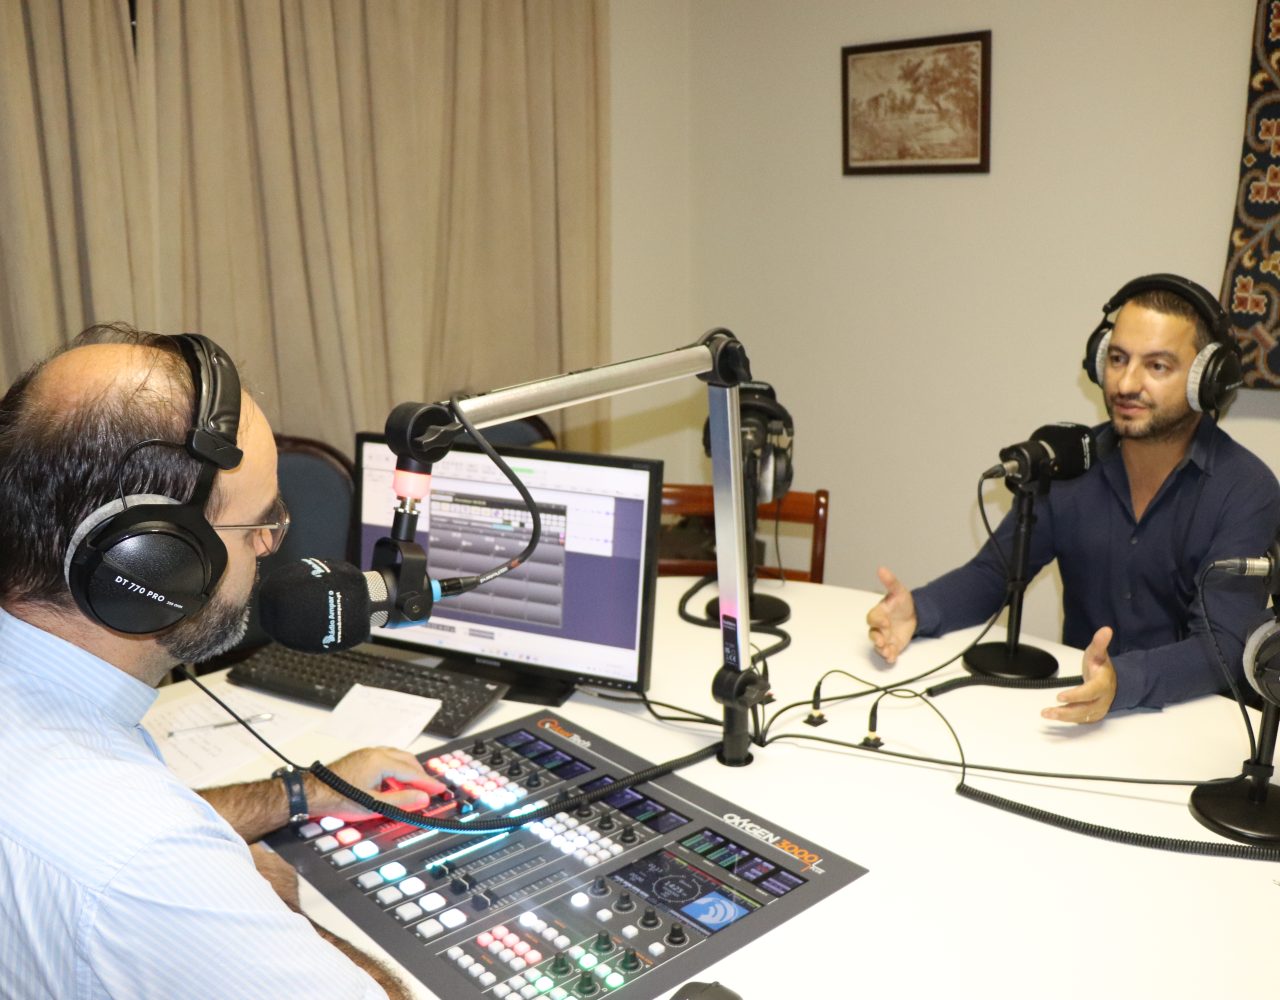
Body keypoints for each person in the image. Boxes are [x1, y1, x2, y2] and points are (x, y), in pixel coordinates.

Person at [0, 325, 446, 998]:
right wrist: (277, 912)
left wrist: (301, 793)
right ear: (151, 565)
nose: (269, 546)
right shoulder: (147, 860)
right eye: (259, 524)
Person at [866, 274, 1280, 724]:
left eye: (1157, 366)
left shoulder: (1246, 490)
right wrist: (919, 610)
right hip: (1082, 714)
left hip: (1194, 724)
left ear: (1207, 379)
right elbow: (997, 573)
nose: (1126, 383)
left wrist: (1123, 681)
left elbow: (1222, 645)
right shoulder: (1069, 463)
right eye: (1117, 359)